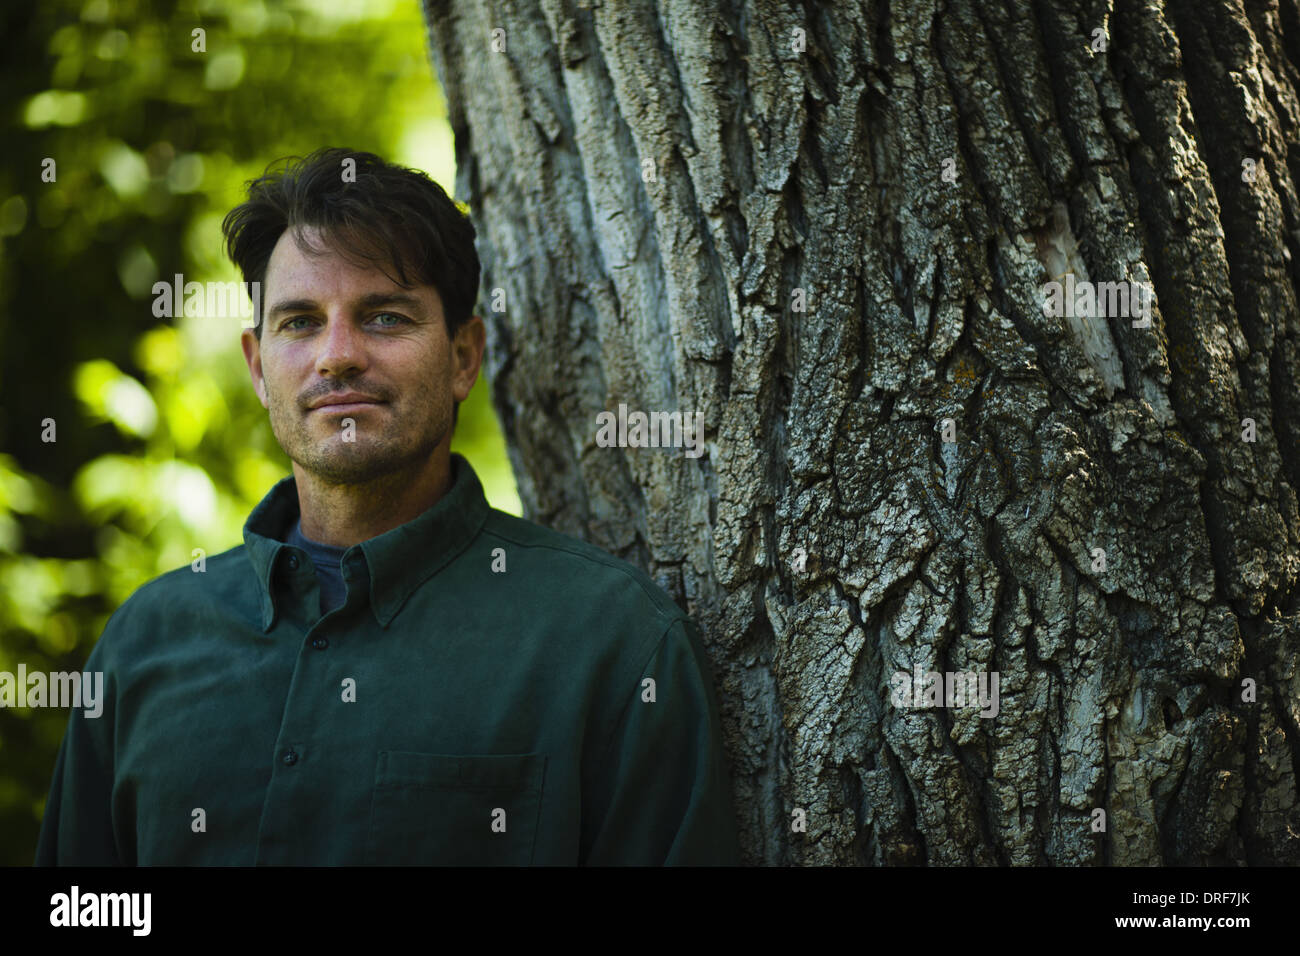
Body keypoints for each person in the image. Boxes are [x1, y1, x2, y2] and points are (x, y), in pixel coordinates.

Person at [34, 148, 741, 866]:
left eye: (384, 317)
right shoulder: (144, 645)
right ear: (257, 366)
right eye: (300, 323)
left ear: (464, 356)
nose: (336, 355)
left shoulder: (611, 645)